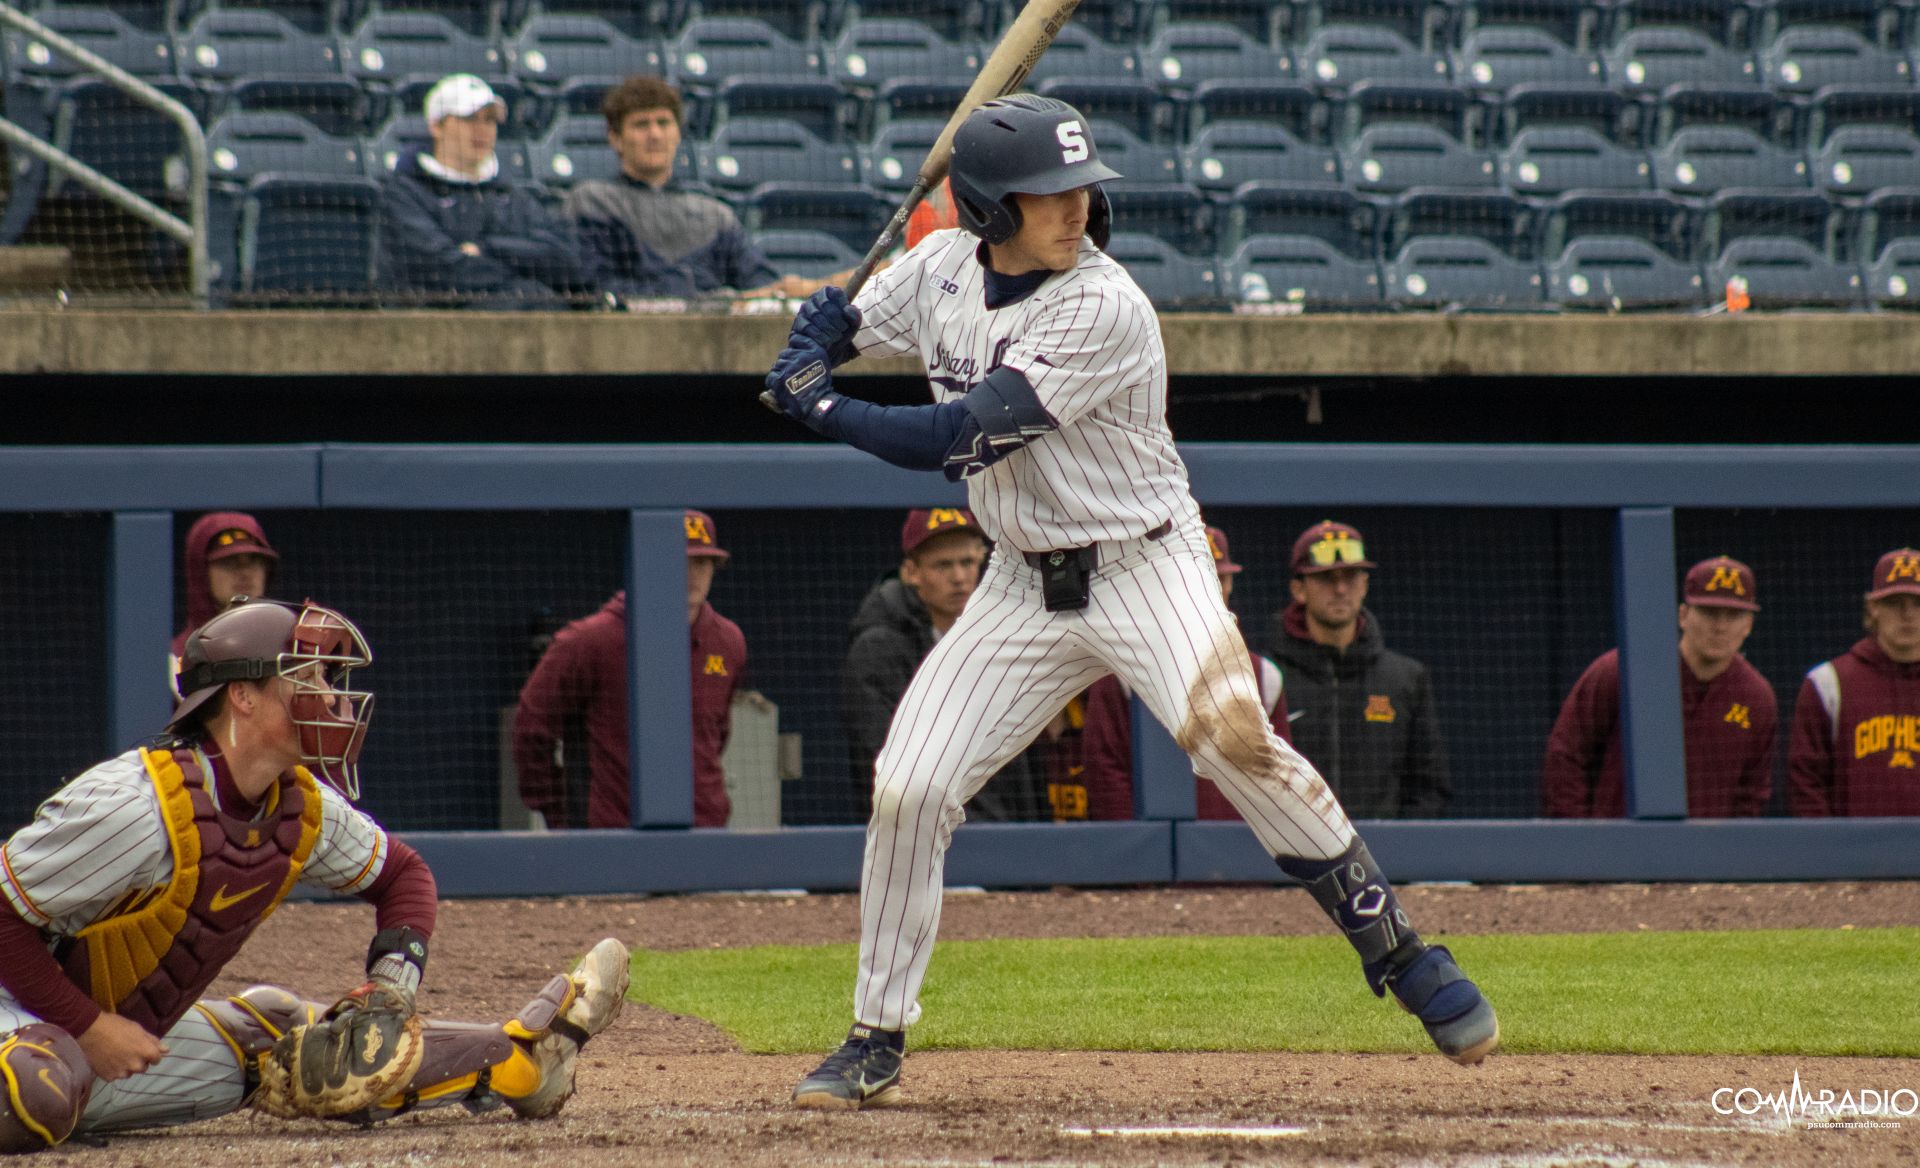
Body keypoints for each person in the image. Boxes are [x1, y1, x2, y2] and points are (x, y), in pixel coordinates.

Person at [762, 93, 1498, 1110]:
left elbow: (957, 438)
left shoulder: (1105, 306)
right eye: (1047, 194)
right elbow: (856, 320)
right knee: (910, 788)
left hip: (1146, 564)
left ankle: (1401, 952)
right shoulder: (937, 268)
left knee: (1235, 738)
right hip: (1020, 580)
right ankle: (874, 1033)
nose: (1075, 208)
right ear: (984, 209)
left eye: (1081, 188)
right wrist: (818, 327)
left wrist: (822, 401)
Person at [0, 598, 629, 1151]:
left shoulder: (299, 806)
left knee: (291, 1041)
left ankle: (520, 1060)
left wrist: (390, 992)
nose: (333, 695)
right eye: (311, 676)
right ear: (242, 695)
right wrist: (89, 1026)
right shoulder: (135, 804)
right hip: (25, 1018)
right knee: (37, 1089)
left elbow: (403, 876)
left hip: (97, 1038)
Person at [513, 509, 747, 828]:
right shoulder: (589, 641)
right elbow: (531, 727)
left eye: (702, 563)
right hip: (612, 840)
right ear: (649, 563)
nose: (693, 575)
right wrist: (559, 814)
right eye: (680, 561)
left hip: (705, 837)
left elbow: (716, 737)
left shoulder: (728, 642)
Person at [565, 75, 854, 300]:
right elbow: (594, 287)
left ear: (678, 132)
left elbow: (760, 285)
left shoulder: (713, 214)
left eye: (663, 123)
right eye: (641, 125)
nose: (654, 134)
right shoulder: (592, 201)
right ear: (615, 138)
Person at [841, 508, 1045, 821]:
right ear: (911, 572)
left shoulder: (996, 640)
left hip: (1003, 837)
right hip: (917, 834)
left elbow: (1018, 762)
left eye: (967, 562)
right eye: (943, 565)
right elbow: (882, 759)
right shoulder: (878, 649)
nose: (959, 577)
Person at [1543, 555, 1778, 818]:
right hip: (1616, 850)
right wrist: (1585, 840)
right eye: (1709, 612)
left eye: (1733, 615)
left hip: (1705, 854)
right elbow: (1566, 755)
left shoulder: (1756, 696)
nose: (1720, 626)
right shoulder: (1626, 669)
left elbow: (1752, 792)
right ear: (1683, 615)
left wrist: (1730, 853)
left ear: (1748, 625)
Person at [1082, 524, 1288, 821]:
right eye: (1195, 578)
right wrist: (1137, 848)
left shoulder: (1264, 676)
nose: (1208, 589)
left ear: (1230, 584)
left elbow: (1278, 777)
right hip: (1146, 854)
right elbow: (1105, 771)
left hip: (1241, 852)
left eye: (1218, 578)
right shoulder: (1120, 669)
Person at [1268, 521, 1451, 820]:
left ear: (1364, 585)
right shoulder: (1268, 679)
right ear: (1298, 589)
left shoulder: (1405, 679)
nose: (1340, 589)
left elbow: (1428, 787)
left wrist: (1399, 849)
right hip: (1290, 859)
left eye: (1351, 577)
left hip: (1385, 858)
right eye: (1326, 578)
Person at [377, 73, 600, 309]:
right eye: (470, 119)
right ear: (436, 126)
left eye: (490, 120)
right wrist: (526, 275)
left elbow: (568, 261)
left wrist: (488, 249)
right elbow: (443, 270)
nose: (482, 130)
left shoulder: (512, 197)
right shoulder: (404, 193)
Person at [1789, 547, 1920, 816]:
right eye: (1895, 602)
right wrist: (1831, 854)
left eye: (1918, 603)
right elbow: (1805, 784)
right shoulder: (1828, 682)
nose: (1908, 614)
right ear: (1873, 607)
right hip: (1855, 856)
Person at [170, 512, 279, 698]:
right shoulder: (175, 663)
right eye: (229, 562)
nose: (245, 573)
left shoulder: (286, 651)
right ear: (201, 572)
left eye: (253, 561)